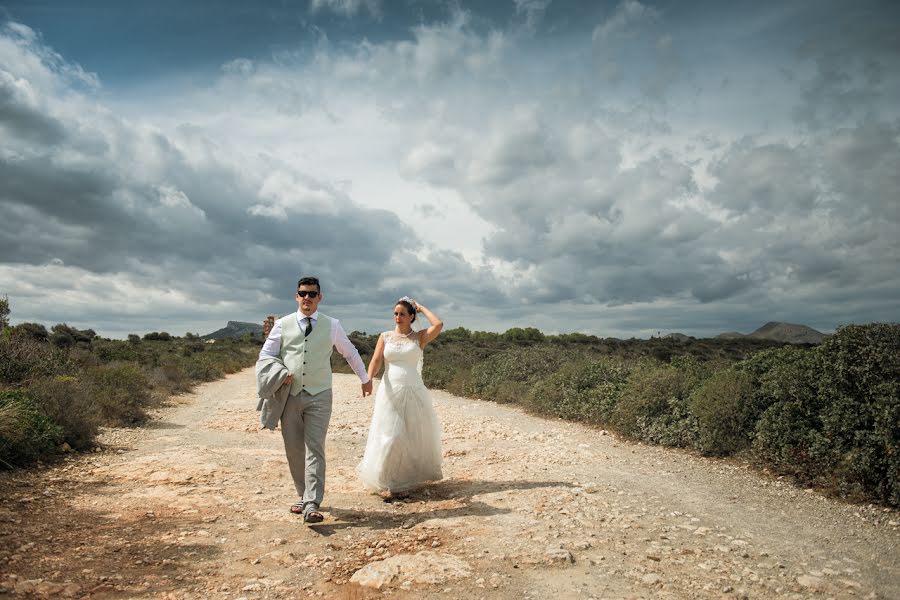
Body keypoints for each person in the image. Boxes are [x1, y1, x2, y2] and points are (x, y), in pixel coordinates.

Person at [256, 276, 373, 523]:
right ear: (296, 296)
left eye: (312, 294)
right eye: (303, 293)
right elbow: (265, 355)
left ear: (320, 297)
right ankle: (303, 494)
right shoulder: (283, 325)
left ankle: (312, 503)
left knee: (315, 448)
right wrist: (280, 372)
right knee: (294, 449)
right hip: (289, 395)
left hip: (320, 394)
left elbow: (349, 352)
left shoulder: (332, 325)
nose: (307, 298)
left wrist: (364, 377)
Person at [356, 296, 444, 500]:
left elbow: (438, 324)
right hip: (390, 390)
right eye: (395, 313)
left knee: (410, 435)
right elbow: (376, 360)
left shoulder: (419, 338)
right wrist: (368, 379)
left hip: (414, 390)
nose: (397, 317)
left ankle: (403, 480)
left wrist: (421, 307)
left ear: (411, 317)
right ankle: (385, 481)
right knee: (390, 434)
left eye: (402, 314)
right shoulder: (385, 336)